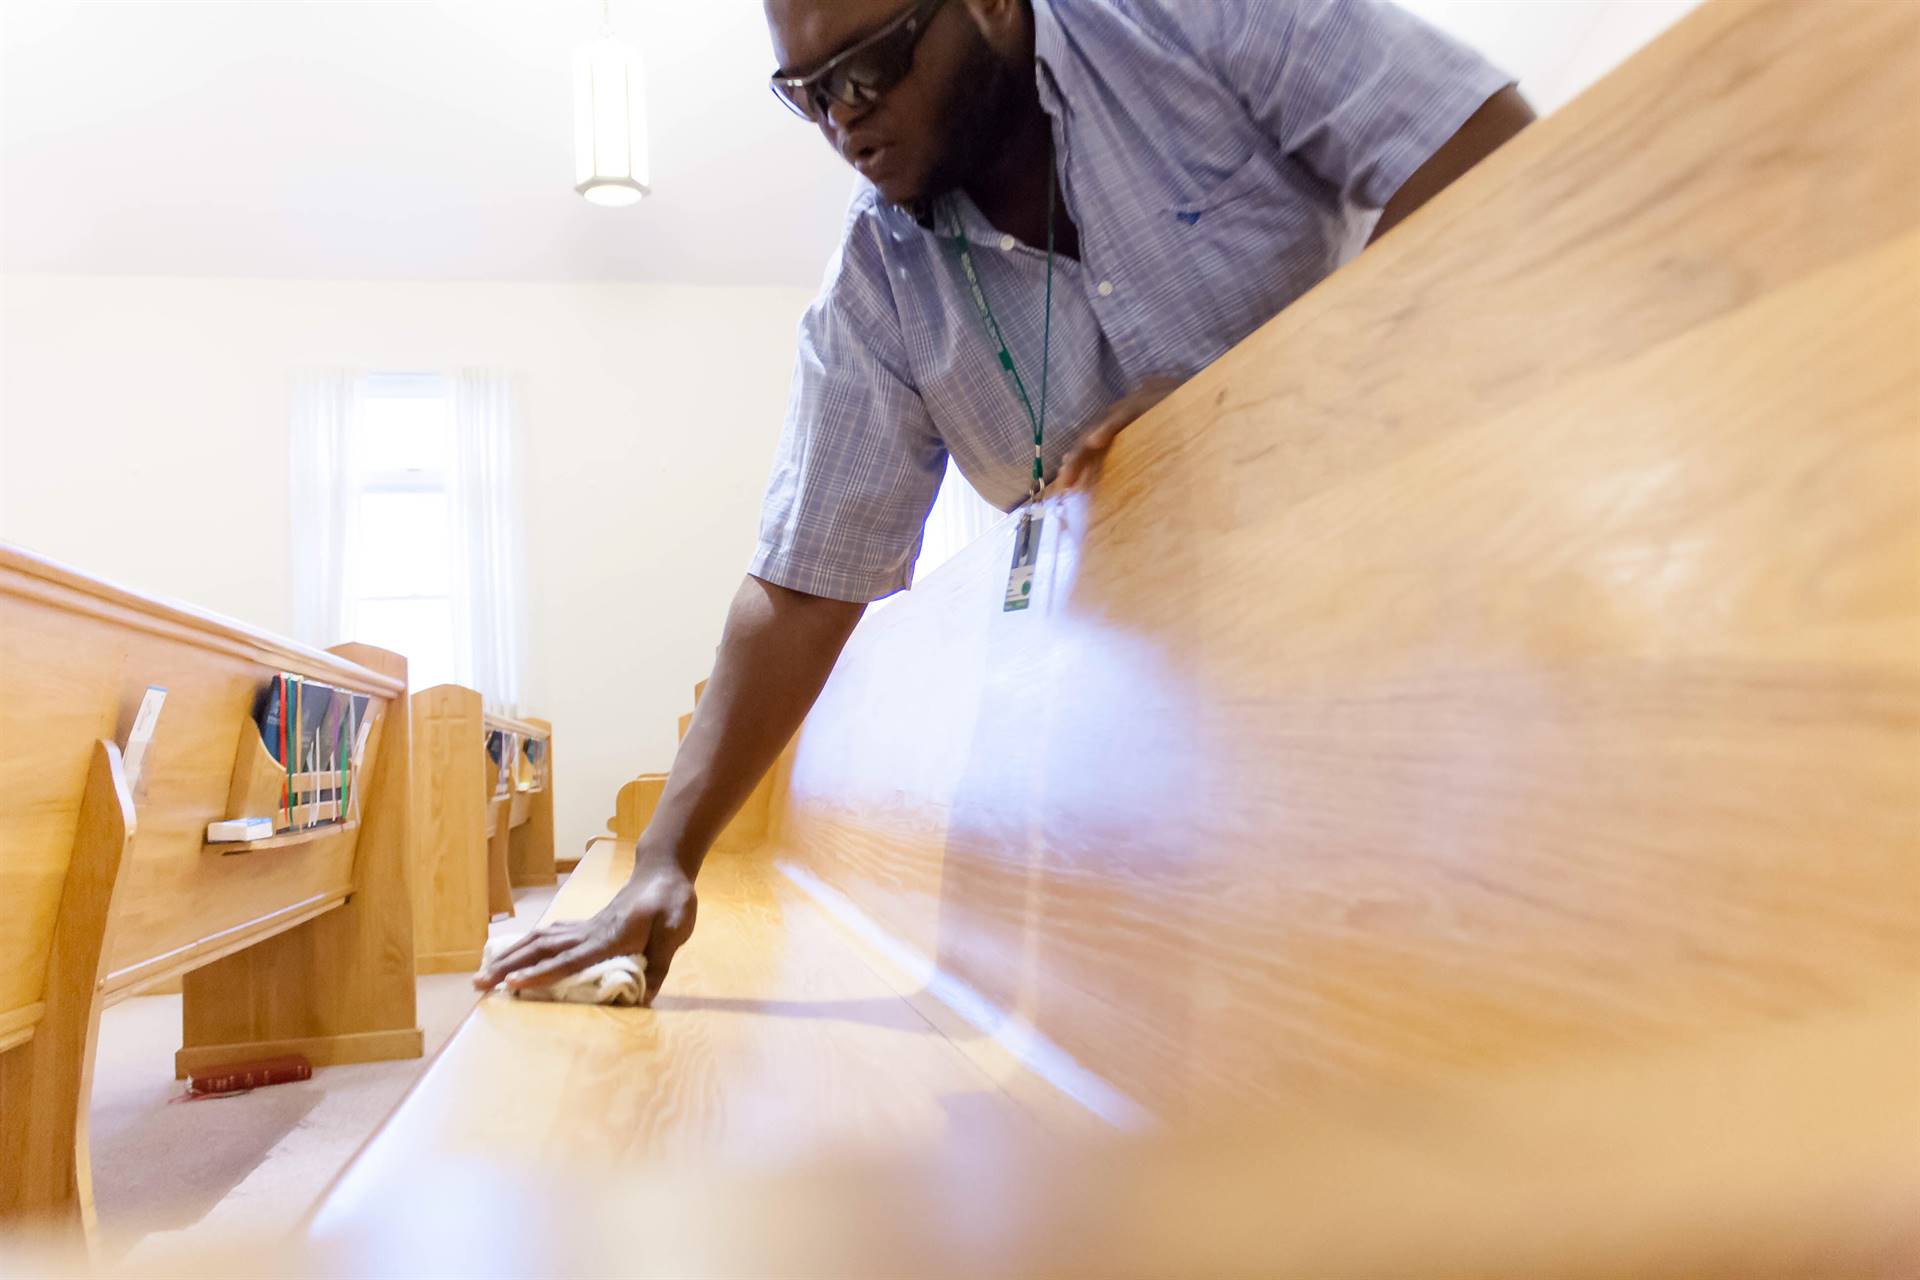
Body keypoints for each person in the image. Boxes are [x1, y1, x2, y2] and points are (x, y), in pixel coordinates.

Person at [476, 0, 1533, 1001]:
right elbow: (804, 585)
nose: (843, 116)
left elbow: (1483, 142)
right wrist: (666, 857)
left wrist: (1248, 388)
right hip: (1172, 739)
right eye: (806, 92)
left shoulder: (1187, 23)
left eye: (868, 66)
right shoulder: (875, 285)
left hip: (1417, 601)